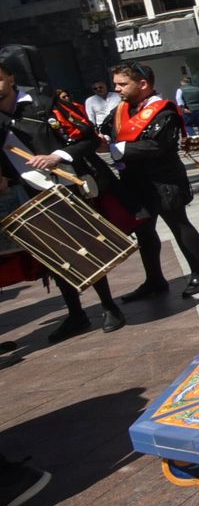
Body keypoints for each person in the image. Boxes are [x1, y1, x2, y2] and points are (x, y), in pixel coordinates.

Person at [0, 45, 127, 340]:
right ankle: (76, 314)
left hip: (65, 186)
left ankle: (109, 306)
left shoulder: (44, 104)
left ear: (11, 78)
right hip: (28, 196)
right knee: (53, 257)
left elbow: (87, 139)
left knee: (87, 248)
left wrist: (56, 156)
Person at [104, 63, 199, 300]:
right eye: (116, 84)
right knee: (144, 231)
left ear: (143, 84)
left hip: (164, 180)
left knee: (178, 224)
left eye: (122, 84)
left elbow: (157, 145)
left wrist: (115, 149)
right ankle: (154, 279)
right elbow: (106, 132)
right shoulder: (121, 110)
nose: (117, 89)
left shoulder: (163, 111)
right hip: (133, 180)